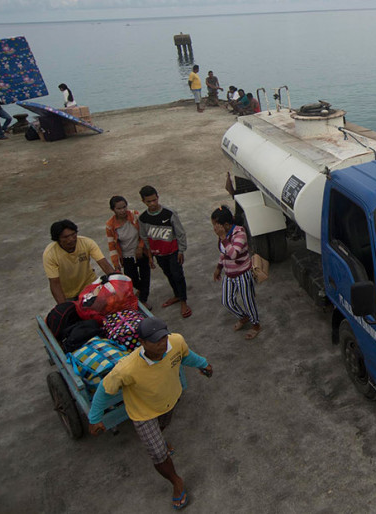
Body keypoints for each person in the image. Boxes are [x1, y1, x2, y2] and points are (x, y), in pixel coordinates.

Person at [88, 317, 212, 510]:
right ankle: (176, 481)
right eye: (155, 341)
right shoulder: (126, 369)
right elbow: (104, 390)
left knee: (162, 427)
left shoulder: (176, 341)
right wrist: (95, 418)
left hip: (169, 400)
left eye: (164, 338)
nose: (162, 344)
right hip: (142, 413)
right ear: (142, 342)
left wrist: (203, 364)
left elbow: (186, 356)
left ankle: (159, 440)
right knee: (158, 454)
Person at [138, 186, 192, 318]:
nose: (152, 204)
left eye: (154, 200)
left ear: (158, 197)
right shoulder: (143, 218)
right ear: (143, 201)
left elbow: (180, 233)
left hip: (173, 252)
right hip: (159, 254)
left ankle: (183, 301)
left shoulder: (169, 214)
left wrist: (181, 250)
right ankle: (177, 295)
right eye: (149, 201)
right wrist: (150, 256)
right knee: (168, 274)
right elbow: (145, 238)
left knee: (178, 275)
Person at [211, 207, 261, 340]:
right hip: (229, 273)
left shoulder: (240, 233)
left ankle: (255, 324)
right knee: (227, 301)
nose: (214, 229)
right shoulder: (224, 235)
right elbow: (224, 252)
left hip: (242, 273)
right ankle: (243, 316)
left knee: (248, 301)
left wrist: (223, 238)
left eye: (216, 225)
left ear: (226, 225)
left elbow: (233, 254)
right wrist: (219, 267)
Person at [43, 219, 116, 303]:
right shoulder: (50, 254)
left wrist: (117, 282)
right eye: (66, 237)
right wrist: (63, 306)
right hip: (67, 294)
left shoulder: (87, 242)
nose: (71, 239)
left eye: (73, 234)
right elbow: (54, 283)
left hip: (90, 287)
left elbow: (104, 264)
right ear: (57, 239)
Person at [105, 195, 151, 304]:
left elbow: (144, 233)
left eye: (124, 207)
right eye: (119, 208)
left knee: (145, 276)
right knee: (131, 279)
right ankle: (142, 290)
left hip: (141, 253)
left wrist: (140, 247)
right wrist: (116, 263)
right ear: (113, 210)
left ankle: (143, 300)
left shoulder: (135, 215)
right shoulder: (110, 225)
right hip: (126, 256)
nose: (122, 211)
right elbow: (112, 246)